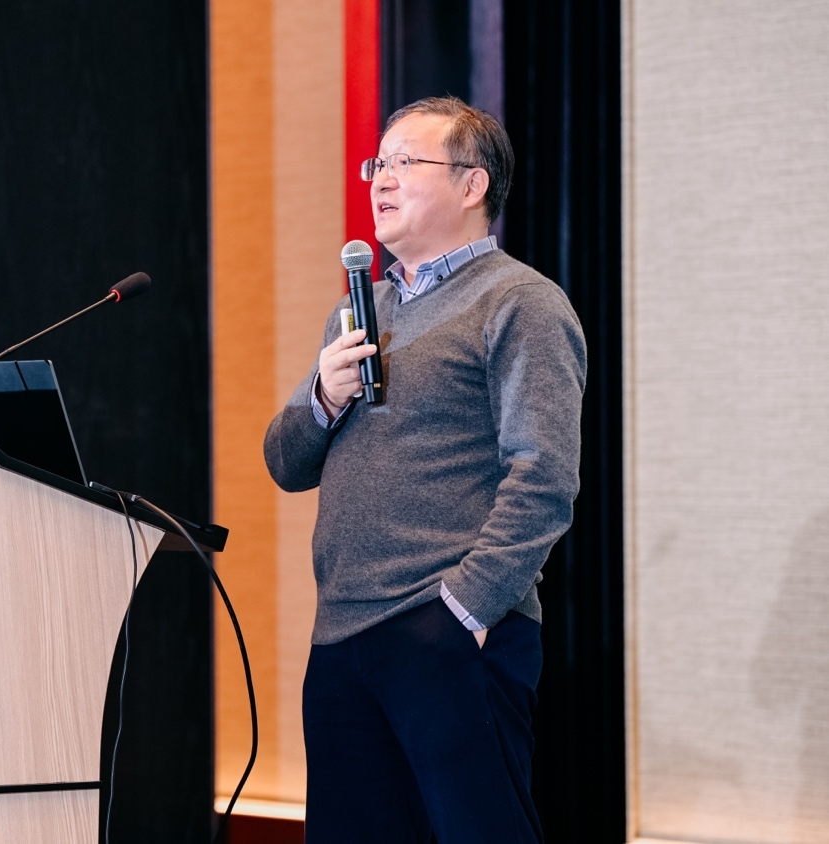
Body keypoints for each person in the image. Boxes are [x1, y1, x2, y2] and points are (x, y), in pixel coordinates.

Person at [263, 96, 586, 842]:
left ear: (473, 185)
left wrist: (463, 612)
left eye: (406, 162)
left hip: (447, 632)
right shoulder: (360, 310)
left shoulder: (520, 303)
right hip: (341, 635)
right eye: (378, 164)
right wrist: (324, 395)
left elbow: (544, 479)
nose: (381, 179)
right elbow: (285, 462)